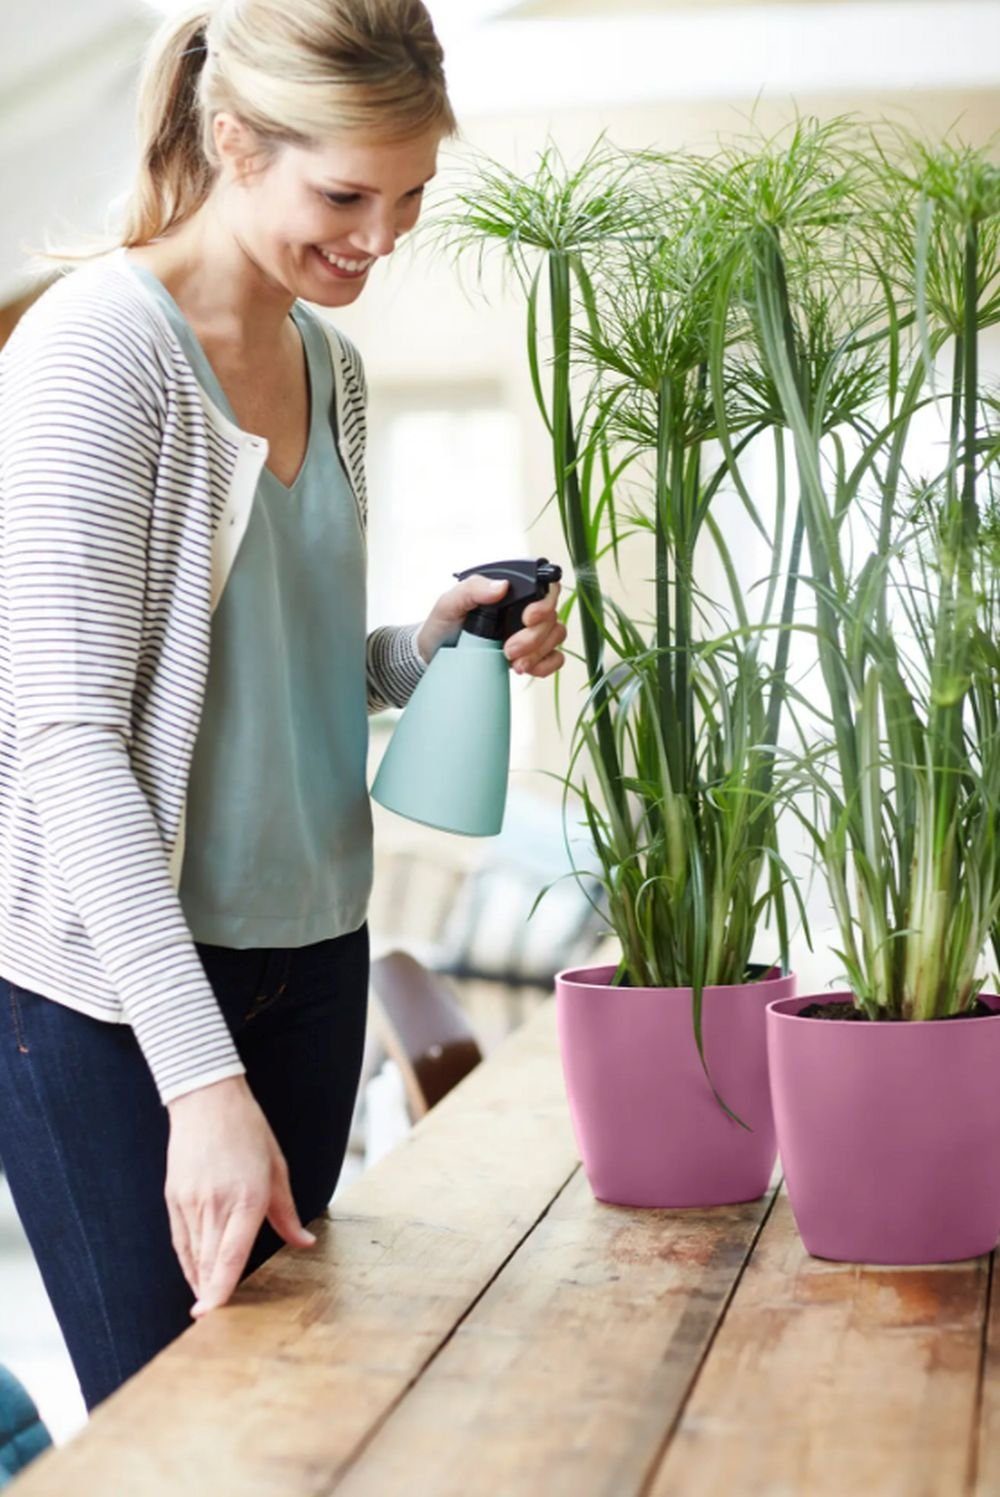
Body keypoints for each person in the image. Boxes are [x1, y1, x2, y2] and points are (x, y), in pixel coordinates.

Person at [0, 0, 566, 1413]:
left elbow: (269, 663)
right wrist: (198, 1082)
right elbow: (66, 737)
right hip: (124, 1001)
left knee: (291, 1410)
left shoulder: (333, 365)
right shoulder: (95, 355)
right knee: (182, 1430)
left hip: (312, 960)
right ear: (236, 141)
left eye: (411, 195)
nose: (381, 238)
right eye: (345, 194)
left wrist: (421, 650)